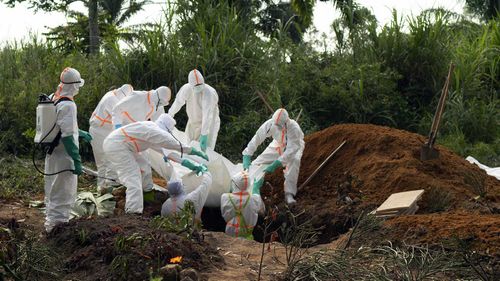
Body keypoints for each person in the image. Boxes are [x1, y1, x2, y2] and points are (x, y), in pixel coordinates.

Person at [103, 114, 208, 214]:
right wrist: (193, 151)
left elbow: (169, 153)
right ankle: (133, 212)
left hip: (123, 146)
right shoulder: (153, 130)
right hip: (117, 146)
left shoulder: (152, 132)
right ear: (166, 128)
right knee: (133, 177)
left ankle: (146, 196)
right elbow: (173, 143)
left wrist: (191, 165)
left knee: (143, 167)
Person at [44, 67, 88, 233]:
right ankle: (58, 229)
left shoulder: (53, 97)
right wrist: (76, 160)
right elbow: (68, 137)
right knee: (63, 192)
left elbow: (58, 125)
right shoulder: (69, 105)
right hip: (64, 156)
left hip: (52, 153)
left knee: (52, 190)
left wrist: (80, 132)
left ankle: (50, 225)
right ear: (75, 85)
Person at [110, 86, 171, 193]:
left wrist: (165, 150)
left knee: (144, 159)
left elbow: (160, 127)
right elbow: (117, 109)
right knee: (124, 159)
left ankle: (146, 189)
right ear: (158, 97)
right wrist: (117, 127)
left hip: (137, 131)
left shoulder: (157, 105)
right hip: (123, 129)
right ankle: (121, 187)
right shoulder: (137, 96)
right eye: (161, 103)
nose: (161, 106)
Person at [242, 108, 304, 204]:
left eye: (279, 126)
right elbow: (257, 137)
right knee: (258, 161)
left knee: (294, 161)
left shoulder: (293, 128)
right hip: (278, 144)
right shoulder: (270, 123)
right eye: (276, 125)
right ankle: (247, 182)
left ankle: (289, 193)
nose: (277, 127)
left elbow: (291, 150)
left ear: (286, 121)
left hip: (294, 146)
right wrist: (247, 154)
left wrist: (277, 163)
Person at [89, 84, 133, 193]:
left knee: (104, 162)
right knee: (108, 159)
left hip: (101, 130)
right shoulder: (112, 100)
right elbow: (121, 118)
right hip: (100, 131)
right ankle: (109, 188)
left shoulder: (111, 94)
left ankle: (103, 188)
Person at [168, 69, 220, 152]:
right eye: (196, 85)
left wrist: (204, 134)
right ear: (191, 85)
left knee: (206, 150)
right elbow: (178, 102)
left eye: (200, 84)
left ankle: (203, 164)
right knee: (189, 146)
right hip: (193, 121)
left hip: (209, 124)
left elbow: (207, 114)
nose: (198, 86)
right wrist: (169, 115)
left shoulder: (209, 92)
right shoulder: (187, 89)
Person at [220, 171, 264, 239]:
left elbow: (225, 215)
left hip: (230, 234)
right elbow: (261, 210)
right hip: (247, 235)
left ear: (234, 184)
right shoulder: (255, 199)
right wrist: (256, 189)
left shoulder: (225, 197)